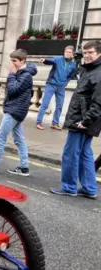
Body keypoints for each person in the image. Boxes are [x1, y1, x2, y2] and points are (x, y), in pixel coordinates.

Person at [50, 41, 101, 199]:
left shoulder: (98, 73)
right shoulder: (89, 69)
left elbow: (98, 102)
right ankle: (90, 188)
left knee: (70, 154)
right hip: (82, 118)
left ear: (99, 53)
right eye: (84, 52)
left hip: (82, 120)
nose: (86, 55)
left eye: (90, 52)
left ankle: (69, 187)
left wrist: (85, 121)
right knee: (85, 154)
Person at [0, 49, 37, 176]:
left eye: (14, 61)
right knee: (19, 139)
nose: (12, 64)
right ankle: (24, 167)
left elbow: (13, 90)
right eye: (11, 61)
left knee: (0, 136)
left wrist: (11, 74)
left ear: (22, 61)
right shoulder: (22, 73)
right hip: (17, 109)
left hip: (15, 110)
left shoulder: (25, 75)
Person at [36, 46, 77, 130]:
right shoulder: (58, 59)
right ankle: (39, 122)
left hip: (61, 87)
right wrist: (44, 60)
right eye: (66, 51)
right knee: (45, 104)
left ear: (72, 54)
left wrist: (66, 83)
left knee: (59, 106)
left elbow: (71, 76)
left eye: (69, 52)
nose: (67, 53)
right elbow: (50, 61)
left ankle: (55, 123)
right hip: (51, 84)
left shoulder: (73, 64)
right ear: (64, 52)